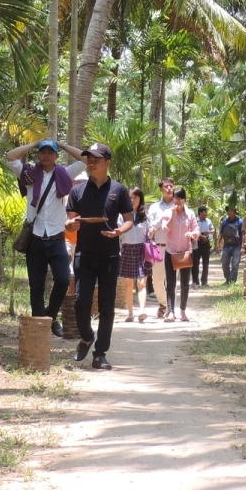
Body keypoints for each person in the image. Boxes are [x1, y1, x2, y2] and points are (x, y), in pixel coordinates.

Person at [66, 143, 134, 370]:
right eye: (89, 159)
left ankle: (100, 353)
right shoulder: (77, 190)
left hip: (110, 256)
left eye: (96, 159)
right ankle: (86, 336)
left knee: (106, 306)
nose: (91, 163)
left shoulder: (119, 190)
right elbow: (71, 221)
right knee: (80, 302)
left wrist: (118, 232)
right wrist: (71, 224)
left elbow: (128, 220)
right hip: (84, 254)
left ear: (108, 163)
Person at [5, 137, 77, 337]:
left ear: (56, 156)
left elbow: (84, 160)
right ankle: (39, 326)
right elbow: (10, 157)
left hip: (56, 237)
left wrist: (63, 144)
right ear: (38, 154)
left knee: (63, 280)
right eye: (43, 151)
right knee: (36, 285)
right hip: (35, 239)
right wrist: (34, 143)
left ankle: (51, 317)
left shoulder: (64, 174)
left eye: (50, 152)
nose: (46, 155)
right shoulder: (28, 174)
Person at [162, 189, 197, 321]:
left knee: (184, 284)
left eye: (180, 199)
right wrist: (173, 215)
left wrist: (193, 234)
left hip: (185, 253)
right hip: (171, 251)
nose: (177, 201)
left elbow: (196, 229)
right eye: (175, 198)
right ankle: (170, 311)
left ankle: (182, 310)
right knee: (170, 283)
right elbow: (165, 229)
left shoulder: (190, 214)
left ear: (184, 200)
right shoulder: (168, 212)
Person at [145, 178, 175, 318]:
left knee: (172, 281)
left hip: (175, 249)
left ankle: (171, 309)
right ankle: (164, 303)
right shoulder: (154, 208)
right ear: (161, 189)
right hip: (159, 248)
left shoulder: (179, 205)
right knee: (156, 281)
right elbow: (150, 226)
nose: (169, 188)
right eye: (166, 186)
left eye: (171, 186)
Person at [120, 188, 149, 323]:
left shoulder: (146, 215)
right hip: (127, 249)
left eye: (135, 197)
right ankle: (130, 313)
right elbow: (119, 229)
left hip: (142, 249)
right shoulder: (122, 215)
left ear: (140, 199)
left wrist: (152, 232)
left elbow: (150, 231)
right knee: (128, 283)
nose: (132, 200)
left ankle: (142, 312)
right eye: (130, 197)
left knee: (142, 282)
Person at [218, 207, 243, 284]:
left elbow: (243, 234)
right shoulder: (225, 222)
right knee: (224, 262)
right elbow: (221, 233)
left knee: (235, 264)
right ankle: (227, 278)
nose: (229, 212)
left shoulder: (240, 222)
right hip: (227, 245)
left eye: (231, 210)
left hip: (237, 245)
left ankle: (232, 280)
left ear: (235, 212)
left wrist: (243, 246)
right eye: (228, 211)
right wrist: (217, 243)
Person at [192, 205, 213, 286]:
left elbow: (213, 230)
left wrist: (208, 231)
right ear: (200, 213)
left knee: (205, 263)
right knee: (195, 263)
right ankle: (195, 281)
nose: (206, 214)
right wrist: (200, 236)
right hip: (197, 243)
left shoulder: (208, 221)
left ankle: (204, 281)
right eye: (204, 212)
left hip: (206, 244)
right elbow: (192, 230)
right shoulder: (195, 221)